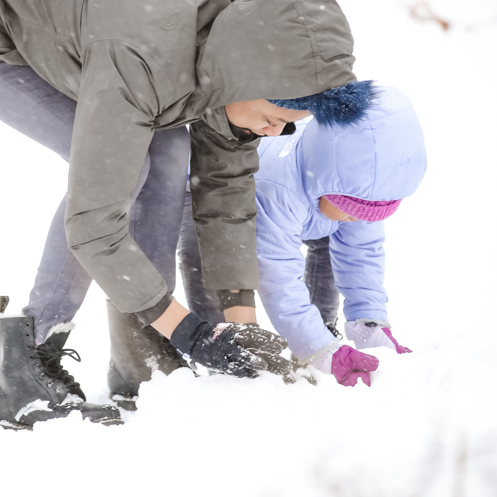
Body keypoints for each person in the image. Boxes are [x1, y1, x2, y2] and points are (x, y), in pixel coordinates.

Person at [0, 0, 367, 428]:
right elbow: (93, 222)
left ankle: (144, 355)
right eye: (271, 117)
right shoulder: (142, 60)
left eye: (288, 126)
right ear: (248, 80)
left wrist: (240, 321)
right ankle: (29, 367)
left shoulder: (234, 53)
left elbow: (224, 189)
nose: (274, 133)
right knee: (124, 171)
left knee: (168, 152)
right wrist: (187, 330)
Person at [177, 85, 426, 389]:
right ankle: (225, 354)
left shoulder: (361, 184)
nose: (357, 219)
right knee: (210, 269)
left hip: (305, 204)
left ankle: (321, 334)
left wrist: (369, 321)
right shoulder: (280, 190)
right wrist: (317, 349)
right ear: (329, 183)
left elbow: (361, 252)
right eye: (351, 210)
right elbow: (278, 275)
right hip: (213, 200)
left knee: (334, 247)